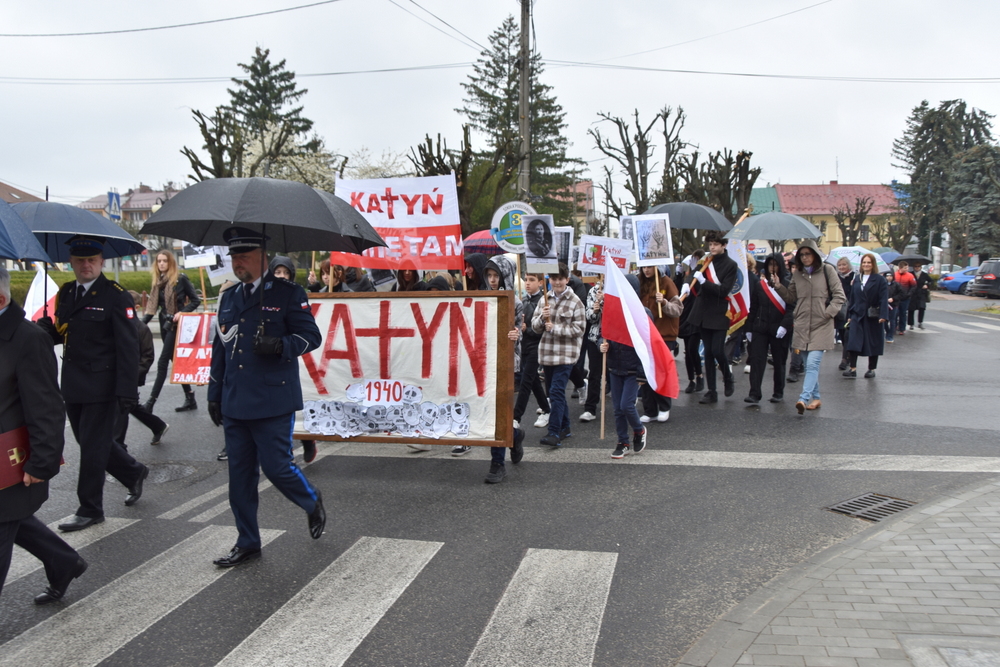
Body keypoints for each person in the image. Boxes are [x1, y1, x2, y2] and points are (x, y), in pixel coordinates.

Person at [208, 228, 326, 567]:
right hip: (235, 400)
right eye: (233, 256)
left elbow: (310, 336)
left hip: (273, 400)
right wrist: (215, 392)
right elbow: (221, 348)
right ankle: (248, 541)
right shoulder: (229, 297)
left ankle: (310, 499)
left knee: (277, 467)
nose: (237, 262)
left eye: (243, 255)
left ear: (263, 255)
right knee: (239, 478)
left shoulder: (289, 293)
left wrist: (280, 346)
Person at [37, 235, 148, 531]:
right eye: (79, 260)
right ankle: (133, 471)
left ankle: (90, 508)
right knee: (89, 442)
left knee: (92, 449)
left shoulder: (116, 295)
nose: (85, 265)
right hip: (73, 383)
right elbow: (65, 334)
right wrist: (47, 330)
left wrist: (127, 390)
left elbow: (128, 347)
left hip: (103, 384)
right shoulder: (66, 293)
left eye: (91, 260)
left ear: (101, 262)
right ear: (71, 263)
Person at [0, 268, 87, 604]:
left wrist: (42, 462)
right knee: (13, 520)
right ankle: (64, 562)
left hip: (10, 461)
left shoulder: (28, 339)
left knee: (5, 520)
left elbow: (47, 407)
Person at [478, 256, 526, 482]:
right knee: (491, 414)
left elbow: (519, 332)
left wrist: (516, 335)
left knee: (499, 414)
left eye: (496, 275)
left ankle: (497, 463)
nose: (493, 280)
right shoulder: (481, 298)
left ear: (505, 276)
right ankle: (514, 436)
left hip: (506, 364)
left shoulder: (515, 302)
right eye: (489, 275)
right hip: (484, 363)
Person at [786, 239, 847, 414]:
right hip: (803, 323)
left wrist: (828, 313)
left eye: (808, 254)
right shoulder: (797, 273)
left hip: (822, 324)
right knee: (808, 364)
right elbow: (790, 297)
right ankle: (817, 397)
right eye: (802, 254)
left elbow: (839, 296)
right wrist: (777, 285)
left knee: (813, 364)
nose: (805, 257)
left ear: (815, 254)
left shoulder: (828, 270)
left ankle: (803, 399)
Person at [531, 262, 585, 448]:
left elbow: (579, 329)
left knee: (556, 391)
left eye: (561, 279)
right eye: (554, 279)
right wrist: (541, 317)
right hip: (547, 354)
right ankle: (565, 427)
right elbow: (535, 327)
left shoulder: (575, 301)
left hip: (566, 355)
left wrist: (556, 328)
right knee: (555, 394)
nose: (557, 282)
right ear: (550, 280)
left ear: (567, 279)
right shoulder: (544, 299)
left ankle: (554, 432)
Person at [268, 258, 317, 464]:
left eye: (285, 272)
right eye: (277, 272)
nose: (281, 276)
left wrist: (281, 345)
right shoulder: (260, 296)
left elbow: (309, 334)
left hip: (288, 359)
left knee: (289, 410)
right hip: (265, 367)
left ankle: (304, 441)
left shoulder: (294, 294)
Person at [142, 249, 201, 413]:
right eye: (159, 261)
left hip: (177, 324)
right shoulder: (157, 282)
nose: (161, 263)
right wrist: (139, 325)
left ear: (171, 263)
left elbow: (196, 300)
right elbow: (152, 308)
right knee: (174, 360)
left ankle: (150, 403)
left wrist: (182, 312)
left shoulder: (180, 279)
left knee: (162, 363)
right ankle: (190, 397)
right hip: (164, 323)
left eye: (164, 261)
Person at [600, 276, 648, 460]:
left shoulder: (642, 313)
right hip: (615, 366)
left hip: (633, 369)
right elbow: (603, 335)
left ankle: (639, 429)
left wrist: (642, 375)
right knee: (617, 409)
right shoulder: (611, 313)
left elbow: (647, 345)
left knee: (626, 405)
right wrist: (602, 345)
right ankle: (622, 442)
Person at [687, 233, 738, 404]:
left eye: (716, 244)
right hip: (703, 311)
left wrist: (704, 282)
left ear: (724, 245)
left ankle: (728, 376)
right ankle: (712, 391)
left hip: (718, 312)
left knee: (717, 350)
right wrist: (687, 283)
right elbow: (693, 274)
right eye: (710, 244)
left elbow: (723, 291)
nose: (712, 248)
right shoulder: (706, 261)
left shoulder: (731, 265)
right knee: (708, 353)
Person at [118, 291, 169, 449]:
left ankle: (118, 445)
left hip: (131, 377)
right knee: (129, 405)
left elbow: (147, 357)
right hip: (119, 375)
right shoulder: (118, 325)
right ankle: (158, 426)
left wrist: (133, 375)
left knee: (124, 406)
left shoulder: (141, 328)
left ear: (137, 307)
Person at [745, 253, 795, 404]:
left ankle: (778, 392)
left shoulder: (788, 284)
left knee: (779, 361)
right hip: (760, 327)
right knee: (756, 361)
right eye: (769, 265)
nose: (772, 268)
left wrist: (785, 326)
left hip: (779, 329)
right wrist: (749, 328)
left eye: (775, 265)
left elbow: (792, 308)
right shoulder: (760, 285)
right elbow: (753, 307)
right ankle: (754, 393)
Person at [638, 266, 682, 421]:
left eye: (649, 267)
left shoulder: (666, 282)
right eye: (644, 267)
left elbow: (677, 309)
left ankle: (664, 406)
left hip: (664, 335)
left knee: (661, 371)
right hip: (645, 334)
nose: (646, 270)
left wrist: (663, 302)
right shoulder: (639, 281)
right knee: (646, 372)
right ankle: (650, 410)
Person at [515, 273, 551, 430]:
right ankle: (547, 409)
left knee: (525, 381)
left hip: (537, 345)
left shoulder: (543, 302)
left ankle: (516, 417)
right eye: (526, 280)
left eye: (532, 280)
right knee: (533, 380)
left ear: (541, 282)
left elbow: (541, 328)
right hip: (523, 345)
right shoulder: (523, 301)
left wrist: (527, 329)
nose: (527, 283)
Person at [843, 254, 889, 379]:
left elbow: (883, 299)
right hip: (857, 315)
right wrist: (849, 315)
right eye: (864, 262)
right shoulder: (857, 279)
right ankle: (852, 369)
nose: (866, 265)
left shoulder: (880, 280)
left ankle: (871, 369)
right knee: (853, 342)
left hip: (872, 316)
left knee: (873, 343)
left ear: (873, 264)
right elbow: (852, 298)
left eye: (869, 262)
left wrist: (883, 315)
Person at [678, 250, 705, 394]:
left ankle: (699, 376)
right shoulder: (685, 279)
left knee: (692, 349)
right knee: (687, 352)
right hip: (684, 318)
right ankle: (691, 380)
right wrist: (678, 275)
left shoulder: (701, 277)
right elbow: (678, 295)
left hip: (696, 318)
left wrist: (699, 280)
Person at [834, 257, 855, 371]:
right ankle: (848, 356)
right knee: (842, 334)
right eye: (839, 265)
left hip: (851, 310)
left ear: (849, 265)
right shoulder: (836, 278)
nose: (841, 267)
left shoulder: (855, 277)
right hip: (840, 310)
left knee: (848, 335)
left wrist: (854, 285)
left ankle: (844, 360)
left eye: (844, 265)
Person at [894, 261, 916, 336]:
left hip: (905, 297)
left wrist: (909, 294)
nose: (907, 269)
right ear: (900, 268)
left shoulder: (910, 276)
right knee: (895, 313)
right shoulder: (895, 275)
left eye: (907, 267)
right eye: (905, 268)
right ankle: (894, 326)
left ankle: (902, 328)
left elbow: (914, 286)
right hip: (896, 297)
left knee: (903, 313)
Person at [908, 263, 932, 330]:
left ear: (921, 267)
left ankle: (920, 322)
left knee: (922, 308)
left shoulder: (924, 274)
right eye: (916, 266)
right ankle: (911, 324)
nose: (917, 268)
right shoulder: (910, 274)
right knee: (911, 309)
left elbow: (931, 281)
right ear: (913, 267)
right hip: (913, 293)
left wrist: (927, 285)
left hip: (921, 293)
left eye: (918, 266)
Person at [883, 270, 902, 343]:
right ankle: (887, 332)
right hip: (885, 305)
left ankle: (890, 335)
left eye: (890, 276)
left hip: (894, 305)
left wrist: (893, 299)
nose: (889, 278)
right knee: (884, 320)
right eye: (887, 276)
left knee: (892, 320)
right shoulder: (883, 284)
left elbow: (901, 294)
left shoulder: (897, 285)